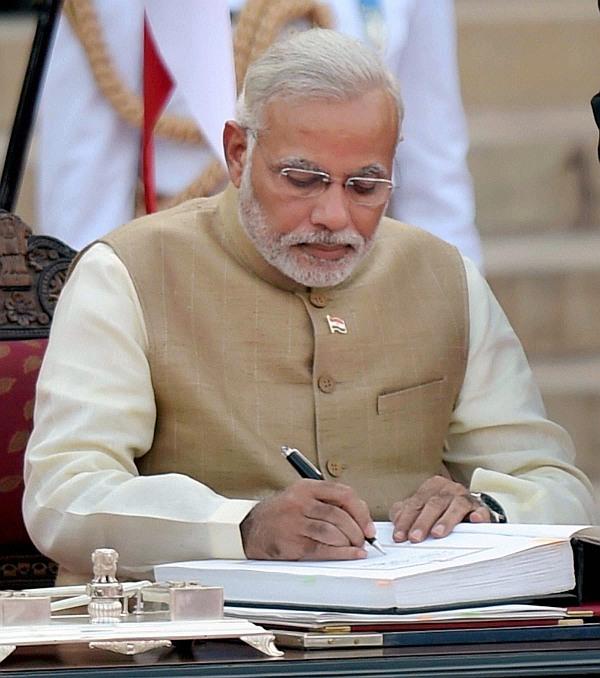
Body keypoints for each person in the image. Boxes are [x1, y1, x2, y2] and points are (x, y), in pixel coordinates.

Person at [24, 29, 597, 583]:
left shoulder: (441, 276)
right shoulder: (128, 272)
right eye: (303, 179)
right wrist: (241, 527)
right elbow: (64, 494)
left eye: (365, 186)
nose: (333, 216)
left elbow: (558, 484)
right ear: (239, 153)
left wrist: (487, 511)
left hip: (410, 642)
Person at [36, 0, 482, 267]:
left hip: (343, 270)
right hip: (181, 271)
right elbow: (82, 189)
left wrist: (459, 319)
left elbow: (432, 175)